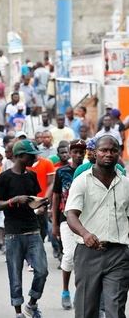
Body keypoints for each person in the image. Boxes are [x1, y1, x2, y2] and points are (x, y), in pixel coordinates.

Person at [65, 135, 129, 318]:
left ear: (119, 153)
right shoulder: (82, 181)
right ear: (94, 153)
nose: (108, 154)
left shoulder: (126, 184)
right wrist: (85, 234)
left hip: (119, 254)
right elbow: (71, 214)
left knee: (115, 309)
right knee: (87, 310)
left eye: (113, 150)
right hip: (87, 253)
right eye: (103, 150)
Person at [0, 140, 49, 318]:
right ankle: (18, 312)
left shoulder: (31, 176)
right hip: (13, 234)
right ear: (19, 156)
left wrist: (40, 206)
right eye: (31, 155)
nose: (34, 158)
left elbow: (34, 200)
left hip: (33, 230)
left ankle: (32, 303)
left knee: (42, 271)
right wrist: (14, 200)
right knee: (15, 276)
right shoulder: (5, 177)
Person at [50, 139, 86, 310]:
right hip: (66, 219)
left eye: (81, 152)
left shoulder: (89, 171)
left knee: (84, 259)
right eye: (75, 152)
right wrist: (55, 223)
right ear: (70, 153)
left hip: (85, 220)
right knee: (70, 255)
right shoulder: (62, 171)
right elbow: (56, 196)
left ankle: (82, 293)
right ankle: (65, 291)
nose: (78, 155)